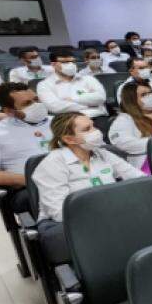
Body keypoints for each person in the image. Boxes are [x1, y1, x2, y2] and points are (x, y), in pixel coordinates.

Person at [32, 111, 143, 262]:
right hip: (65, 223)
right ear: (69, 139)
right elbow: (59, 213)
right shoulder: (52, 164)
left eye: (93, 126)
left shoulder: (103, 154)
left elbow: (140, 179)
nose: (95, 132)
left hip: (109, 213)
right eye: (86, 129)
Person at [0, 83, 52, 212]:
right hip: (29, 188)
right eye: (27, 104)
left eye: (36, 100)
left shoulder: (58, 122)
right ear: (9, 111)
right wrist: (31, 180)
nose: (36, 105)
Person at [108, 79, 152, 172]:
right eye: (144, 95)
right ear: (132, 101)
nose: (151, 96)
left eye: (151, 92)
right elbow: (125, 144)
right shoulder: (124, 120)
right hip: (150, 164)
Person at [36, 52, 107, 118]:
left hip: (98, 116)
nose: (71, 64)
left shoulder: (88, 78)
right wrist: (92, 104)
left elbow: (101, 98)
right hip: (70, 121)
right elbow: (55, 107)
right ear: (53, 65)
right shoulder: (44, 85)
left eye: (73, 61)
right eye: (65, 62)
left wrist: (73, 99)